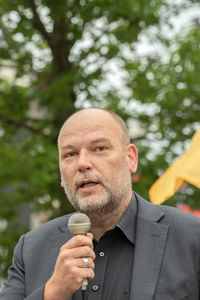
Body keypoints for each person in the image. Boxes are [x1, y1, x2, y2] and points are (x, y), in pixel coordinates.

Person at [0, 108, 200, 300]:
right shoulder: (31, 248)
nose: (83, 163)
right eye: (70, 154)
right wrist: (52, 293)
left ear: (130, 158)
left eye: (99, 148)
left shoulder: (191, 236)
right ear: (61, 175)